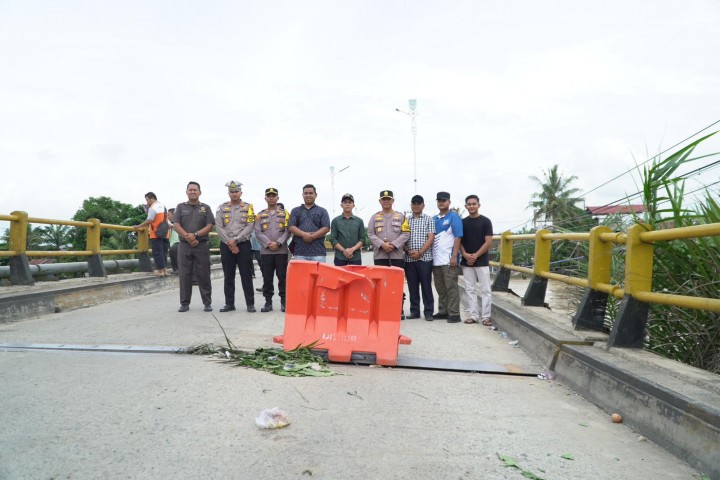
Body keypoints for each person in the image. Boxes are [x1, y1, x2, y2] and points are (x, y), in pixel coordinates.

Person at [173, 181, 215, 312]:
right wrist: (188, 237)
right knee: (185, 274)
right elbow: (176, 224)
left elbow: (209, 225)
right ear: (186, 192)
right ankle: (184, 303)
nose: (192, 192)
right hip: (184, 245)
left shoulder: (206, 208)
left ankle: (207, 303)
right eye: (190, 190)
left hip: (201, 245)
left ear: (200, 192)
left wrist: (195, 235)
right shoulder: (180, 207)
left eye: (195, 190)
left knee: (204, 274)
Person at [215, 180, 256, 313]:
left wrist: (236, 240)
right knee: (228, 275)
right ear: (229, 193)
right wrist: (230, 243)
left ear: (241, 192)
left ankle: (250, 304)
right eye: (232, 191)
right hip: (226, 245)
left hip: (243, 244)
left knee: (246, 274)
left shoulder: (248, 207)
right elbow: (219, 226)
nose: (234, 194)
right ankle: (229, 303)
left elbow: (250, 226)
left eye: (236, 191)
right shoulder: (222, 207)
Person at [367, 190, 410, 318]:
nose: (386, 201)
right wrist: (382, 245)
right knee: (381, 284)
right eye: (383, 199)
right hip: (380, 256)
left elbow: (406, 233)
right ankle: (383, 310)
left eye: (388, 199)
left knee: (397, 284)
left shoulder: (401, 217)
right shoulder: (374, 217)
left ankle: (398, 310)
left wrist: (394, 244)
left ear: (393, 201)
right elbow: (370, 234)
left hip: (397, 255)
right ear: (380, 201)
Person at [255, 187, 290, 312]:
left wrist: (278, 243)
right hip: (266, 251)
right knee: (267, 277)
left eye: (273, 196)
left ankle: (284, 302)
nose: (271, 198)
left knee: (282, 277)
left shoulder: (285, 214)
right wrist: (269, 243)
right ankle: (268, 303)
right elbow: (258, 232)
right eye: (269, 196)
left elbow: (288, 231)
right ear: (265, 198)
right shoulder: (260, 215)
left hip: (281, 251)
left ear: (277, 198)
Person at [460, 195, 494, 325]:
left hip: (482, 261)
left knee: (485, 289)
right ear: (466, 206)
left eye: (474, 204)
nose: (471, 206)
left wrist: (475, 255)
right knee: (470, 289)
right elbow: (459, 241)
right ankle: (473, 315)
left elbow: (488, 242)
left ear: (479, 205)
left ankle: (486, 317)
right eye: (469, 204)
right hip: (466, 261)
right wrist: (465, 254)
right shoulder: (463, 223)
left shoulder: (486, 221)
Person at [432, 191, 463, 323]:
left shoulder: (454, 217)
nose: (441, 202)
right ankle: (443, 310)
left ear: (449, 202)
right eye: (439, 200)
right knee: (440, 287)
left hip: (449, 259)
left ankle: (454, 314)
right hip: (436, 260)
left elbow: (458, 237)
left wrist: (454, 256)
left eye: (444, 200)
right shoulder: (434, 219)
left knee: (451, 287)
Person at [403, 195, 435, 321]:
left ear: (423, 205)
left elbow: (431, 238)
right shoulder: (406, 220)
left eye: (419, 203)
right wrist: (408, 250)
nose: (416, 205)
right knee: (412, 286)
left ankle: (428, 312)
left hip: (425, 258)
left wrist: (420, 252)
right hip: (409, 259)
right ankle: (414, 311)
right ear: (411, 205)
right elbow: (403, 237)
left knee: (426, 285)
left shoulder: (428, 219)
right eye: (414, 203)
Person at [288, 184, 330, 262]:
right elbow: (291, 226)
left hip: (318, 252)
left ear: (316, 195)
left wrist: (312, 236)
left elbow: (326, 227)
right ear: (302, 195)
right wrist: (304, 234)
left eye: (311, 193)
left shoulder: (322, 211)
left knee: (319, 274)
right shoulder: (295, 210)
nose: (308, 195)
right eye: (306, 193)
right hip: (300, 252)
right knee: (301, 274)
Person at [133, 192, 169, 277]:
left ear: (152, 198)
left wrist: (138, 226)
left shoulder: (153, 207)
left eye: (147, 200)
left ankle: (160, 271)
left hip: (156, 233)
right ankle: (164, 270)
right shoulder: (163, 206)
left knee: (157, 252)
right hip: (165, 233)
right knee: (163, 252)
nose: (147, 202)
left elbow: (149, 220)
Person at [329, 193, 365, 266]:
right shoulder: (335, 221)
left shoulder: (359, 221)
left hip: (355, 257)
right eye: (345, 202)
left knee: (356, 277)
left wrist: (353, 249)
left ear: (353, 205)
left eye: (350, 202)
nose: (347, 204)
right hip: (340, 257)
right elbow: (333, 239)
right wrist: (344, 250)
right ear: (341, 205)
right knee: (339, 277)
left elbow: (362, 239)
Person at [167, 208, 179, 274]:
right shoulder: (172, 223)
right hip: (174, 243)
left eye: (169, 215)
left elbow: (171, 225)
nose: (168, 217)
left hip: (178, 242)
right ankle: (177, 269)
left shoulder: (177, 221)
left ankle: (177, 270)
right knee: (172, 251)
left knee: (172, 251)